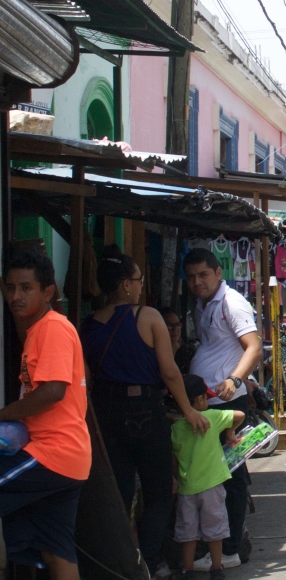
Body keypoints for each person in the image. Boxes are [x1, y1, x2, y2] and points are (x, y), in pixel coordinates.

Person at [80, 246, 209, 575]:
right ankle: (149, 563)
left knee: (120, 495)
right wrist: (189, 411)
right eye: (137, 280)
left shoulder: (89, 325)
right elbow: (169, 372)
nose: (140, 286)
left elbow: (87, 378)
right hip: (144, 412)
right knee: (158, 492)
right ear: (125, 284)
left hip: (106, 413)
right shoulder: (147, 316)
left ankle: (123, 566)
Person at [0, 251, 91, 580]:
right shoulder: (45, 329)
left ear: (48, 292)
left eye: (26, 288)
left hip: (53, 453)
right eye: (10, 288)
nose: (15, 296)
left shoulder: (50, 328)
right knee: (57, 552)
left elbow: (53, 390)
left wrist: (3, 415)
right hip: (69, 459)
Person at [183, 248, 262, 570]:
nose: (197, 282)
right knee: (216, 476)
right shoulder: (206, 304)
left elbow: (254, 346)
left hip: (229, 402)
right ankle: (220, 543)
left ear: (218, 272)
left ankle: (229, 547)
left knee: (231, 475)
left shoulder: (231, 303)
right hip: (211, 401)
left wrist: (235, 378)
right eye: (191, 277)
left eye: (203, 274)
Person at [171, 374, 244, 580]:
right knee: (215, 529)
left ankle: (187, 569)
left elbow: (174, 459)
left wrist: (175, 478)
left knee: (188, 532)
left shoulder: (175, 429)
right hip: (212, 486)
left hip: (187, 488)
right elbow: (239, 414)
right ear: (201, 400)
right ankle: (217, 568)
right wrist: (230, 432)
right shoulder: (212, 417)